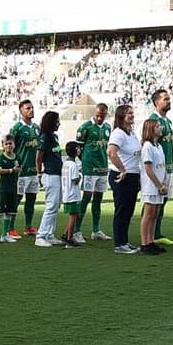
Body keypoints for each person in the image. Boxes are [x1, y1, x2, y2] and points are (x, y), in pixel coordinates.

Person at [107, 104, 142, 255]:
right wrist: (122, 169)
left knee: (128, 210)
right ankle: (119, 243)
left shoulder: (131, 132)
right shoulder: (118, 133)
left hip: (133, 175)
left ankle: (124, 241)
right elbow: (111, 152)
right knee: (121, 210)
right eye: (129, 113)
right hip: (122, 176)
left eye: (132, 112)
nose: (132, 115)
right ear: (121, 116)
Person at [75, 103, 112, 242]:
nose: (99, 118)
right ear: (94, 113)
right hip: (90, 168)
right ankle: (76, 230)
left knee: (98, 199)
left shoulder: (108, 128)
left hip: (102, 168)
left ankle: (96, 230)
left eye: (102, 116)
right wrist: (84, 163)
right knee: (86, 198)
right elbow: (78, 149)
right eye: (97, 115)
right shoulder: (85, 127)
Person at [145, 89, 173, 246]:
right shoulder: (153, 120)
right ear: (156, 102)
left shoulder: (167, 121)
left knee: (163, 201)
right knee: (153, 203)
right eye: (165, 99)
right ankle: (150, 235)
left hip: (168, 167)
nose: (168, 101)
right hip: (159, 169)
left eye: (169, 98)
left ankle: (156, 233)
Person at [8, 100, 41, 237]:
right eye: (28, 108)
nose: (31, 110)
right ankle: (10, 227)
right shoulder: (17, 128)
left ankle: (28, 227)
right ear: (21, 111)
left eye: (32, 108)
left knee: (31, 199)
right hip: (21, 171)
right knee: (16, 199)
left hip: (34, 171)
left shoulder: (36, 128)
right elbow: (8, 146)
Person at [35, 110, 64, 247]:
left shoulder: (54, 137)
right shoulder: (45, 137)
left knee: (56, 205)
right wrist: (39, 174)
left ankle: (50, 234)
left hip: (57, 174)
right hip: (50, 174)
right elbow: (39, 157)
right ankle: (41, 235)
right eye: (57, 121)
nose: (58, 124)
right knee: (51, 206)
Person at [139, 118, 167, 256]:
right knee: (148, 214)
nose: (160, 128)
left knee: (155, 213)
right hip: (151, 185)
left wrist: (164, 183)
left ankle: (151, 241)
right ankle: (145, 243)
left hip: (159, 184)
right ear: (151, 129)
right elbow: (148, 169)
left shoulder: (159, 146)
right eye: (158, 126)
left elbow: (161, 167)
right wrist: (159, 184)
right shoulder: (147, 146)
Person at [0, 136, 20, 243]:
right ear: (3, 145)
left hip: (13, 188)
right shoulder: (1, 157)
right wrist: (12, 170)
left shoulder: (17, 157)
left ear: (14, 145)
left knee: (10, 212)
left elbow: (20, 168)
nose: (8, 146)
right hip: (3, 189)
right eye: (6, 144)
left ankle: (4, 234)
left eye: (10, 143)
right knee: (0, 211)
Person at [60, 141, 83, 249]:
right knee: (73, 217)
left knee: (74, 215)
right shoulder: (74, 165)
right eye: (78, 148)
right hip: (73, 194)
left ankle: (65, 234)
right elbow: (75, 180)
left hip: (66, 192)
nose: (79, 150)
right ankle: (70, 239)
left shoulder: (65, 163)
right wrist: (80, 176)